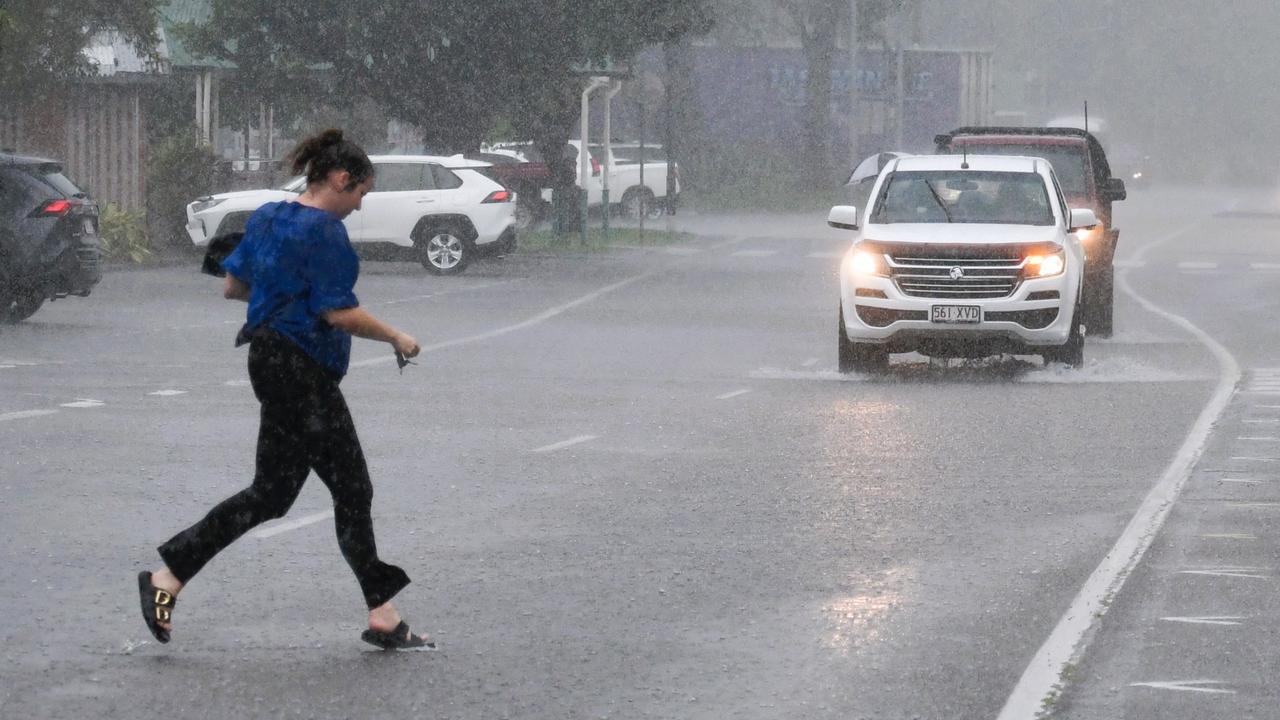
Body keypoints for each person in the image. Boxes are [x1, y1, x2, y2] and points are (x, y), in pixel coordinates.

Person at [137, 128, 432, 650]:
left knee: (272, 494)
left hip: (266, 359)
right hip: (301, 371)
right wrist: (397, 336)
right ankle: (381, 612)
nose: (360, 206)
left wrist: (279, 293)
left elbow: (234, 287)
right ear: (341, 179)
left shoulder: (270, 216)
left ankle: (170, 577)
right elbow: (338, 312)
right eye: (361, 192)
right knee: (352, 488)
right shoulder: (324, 232)